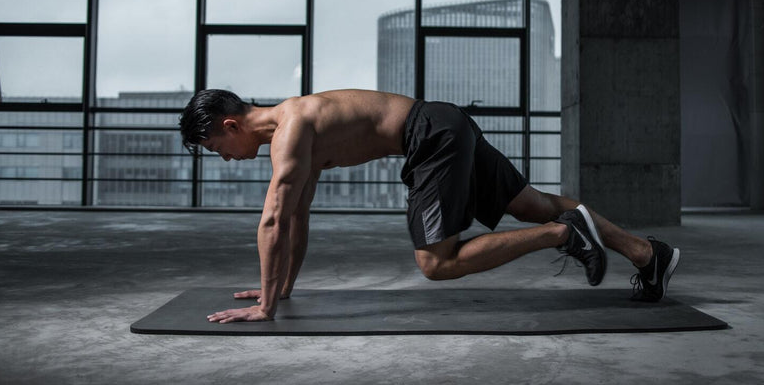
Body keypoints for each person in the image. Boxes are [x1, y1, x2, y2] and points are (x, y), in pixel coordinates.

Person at [179, 88, 680, 323]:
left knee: (436, 263)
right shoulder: (294, 125)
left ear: (230, 126)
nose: (224, 159)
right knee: (534, 203)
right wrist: (281, 289)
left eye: (215, 149)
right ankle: (646, 254)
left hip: (430, 136)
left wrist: (266, 308)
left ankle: (565, 235)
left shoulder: (290, 132)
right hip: (444, 122)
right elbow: (296, 216)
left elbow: (271, 220)